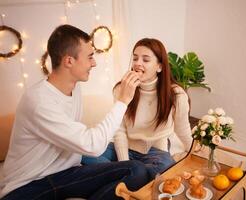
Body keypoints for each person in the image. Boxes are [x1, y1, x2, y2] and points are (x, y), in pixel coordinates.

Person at [0, 24, 149, 200]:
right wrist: (123, 101)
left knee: (136, 170)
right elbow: (92, 145)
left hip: (66, 172)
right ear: (69, 61)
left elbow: (83, 142)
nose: (94, 63)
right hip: (27, 186)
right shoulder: (39, 101)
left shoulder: (74, 88)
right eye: (90, 57)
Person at [82, 38, 193, 179]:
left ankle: (119, 174)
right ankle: (131, 175)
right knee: (81, 153)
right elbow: (119, 130)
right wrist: (125, 165)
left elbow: (182, 129)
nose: (137, 63)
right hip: (125, 149)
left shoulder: (176, 94)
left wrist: (194, 153)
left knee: (164, 168)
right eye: (135, 58)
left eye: (145, 60)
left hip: (156, 152)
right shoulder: (120, 89)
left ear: (159, 66)